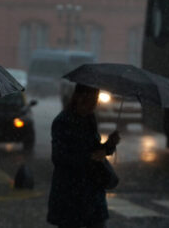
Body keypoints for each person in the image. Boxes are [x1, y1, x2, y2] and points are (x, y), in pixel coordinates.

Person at [47, 84, 120, 228]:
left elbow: (94, 148)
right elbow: (59, 157)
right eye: (93, 100)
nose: (95, 105)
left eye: (96, 100)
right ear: (80, 98)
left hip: (91, 192)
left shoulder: (89, 119)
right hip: (70, 193)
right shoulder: (63, 121)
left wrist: (109, 145)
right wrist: (90, 157)